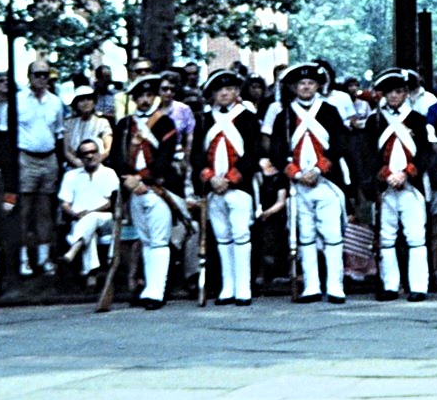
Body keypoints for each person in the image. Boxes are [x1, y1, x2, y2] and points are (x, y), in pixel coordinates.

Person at [269, 62, 350, 304]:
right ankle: (311, 286)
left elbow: (340, 144)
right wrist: (295, 173)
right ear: (294, 88)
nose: (306, 87)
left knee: (332, 235)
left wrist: (318, 169)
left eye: (311, 83)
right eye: (301, 83)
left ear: (318, 86)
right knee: (305, 235)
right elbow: (277, 151)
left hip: (327, 181)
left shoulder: (329, 111)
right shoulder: (284, 116)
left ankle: (335, 286)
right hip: (298, 185)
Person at [107, 72, 182, 309]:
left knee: (159, 241)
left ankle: (157, 292)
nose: (145, 100)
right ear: (134, 99)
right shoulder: (124, 125)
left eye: (150, 95)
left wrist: (141, 179)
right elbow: (116, 157)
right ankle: (149, 288)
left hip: (158, 188)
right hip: (133, 189)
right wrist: (127, 179)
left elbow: (165, 158)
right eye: (141, 96)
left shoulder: (165, 123)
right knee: (146, 241)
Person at [190, 69, 262, 305]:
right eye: (219, 90)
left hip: (239, 187)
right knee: (222, 238)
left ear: (237, 92)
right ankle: (227, 286)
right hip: (213, 188)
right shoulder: (204, 119)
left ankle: (244, 287)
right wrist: (210, 177)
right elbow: (197, 155)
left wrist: (230, 179)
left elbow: (252, 153)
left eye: (229, 89)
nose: (224, 93)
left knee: (241, 236)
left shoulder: (248, 117)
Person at [367, 67, 435, 302]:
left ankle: (418, 286)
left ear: (406, 93)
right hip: (385, 186)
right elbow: (368, 154)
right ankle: (390, 285)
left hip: (411, 186)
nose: (394, 96)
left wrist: (406, 173)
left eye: (398, 91)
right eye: (390, 92)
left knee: (415, 238)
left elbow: (425, 153)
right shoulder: (375, 120)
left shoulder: (417, 120)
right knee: (386, 238)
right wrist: (386, 174)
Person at [18, 59, 66, 277]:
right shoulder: (18, 100)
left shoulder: (55, 102)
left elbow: (59, 132)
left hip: (49, 159)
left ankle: (43, 258)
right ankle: (24, 259)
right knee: (25, 210)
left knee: (45, 210)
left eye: (45, 74)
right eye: (37, 74)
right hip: (26, 158)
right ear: (29, 76)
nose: (41, 78)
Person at [58, 137, 118, 280]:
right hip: (78, 220)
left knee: (91, 218)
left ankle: (73, 251)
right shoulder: (71, 176)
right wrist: (73, 213)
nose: (90, 156)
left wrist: (90, 213)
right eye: (85, 153)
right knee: (89, 231)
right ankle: (92, 273)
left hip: (105, 220)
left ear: (99, 153)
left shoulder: (109, 173)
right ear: (80, 157)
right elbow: (65, 203)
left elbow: (112, 203)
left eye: (93, 152)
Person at [62, 87, 113, 167]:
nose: (86, 103)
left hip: (97, 166)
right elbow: (66, 151)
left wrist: (92, 163)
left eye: (89, 99)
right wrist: (78, 164)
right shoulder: (69, 123)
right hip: (74, 166)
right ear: (76, 104)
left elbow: (107, 149)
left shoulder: (102, 123)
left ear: (94, 102)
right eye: (81, 100)